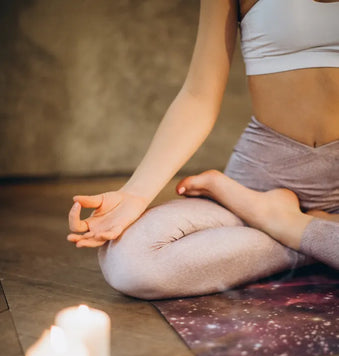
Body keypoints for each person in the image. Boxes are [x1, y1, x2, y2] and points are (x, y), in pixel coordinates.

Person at [67, 0, 339, 299]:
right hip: (260, 183)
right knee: (129, 260)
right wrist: (135, 193)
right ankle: (319, 238)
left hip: (286, 199)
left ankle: (287, 224)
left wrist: (294, 226)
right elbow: (199, 96)